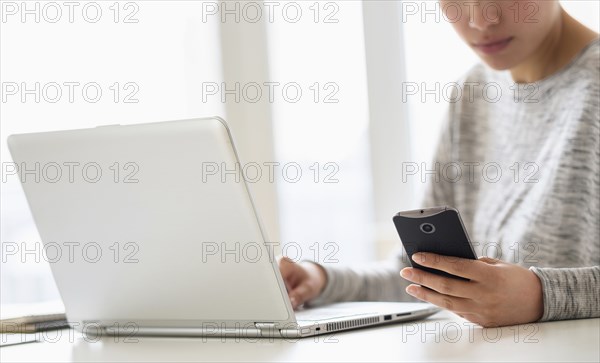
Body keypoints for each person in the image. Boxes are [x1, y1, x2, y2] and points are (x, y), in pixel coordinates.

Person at [278, 0, 599, 328]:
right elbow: (425, 276)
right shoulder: (472, 94)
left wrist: (543, 296)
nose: (481, 20)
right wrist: (319, 280)